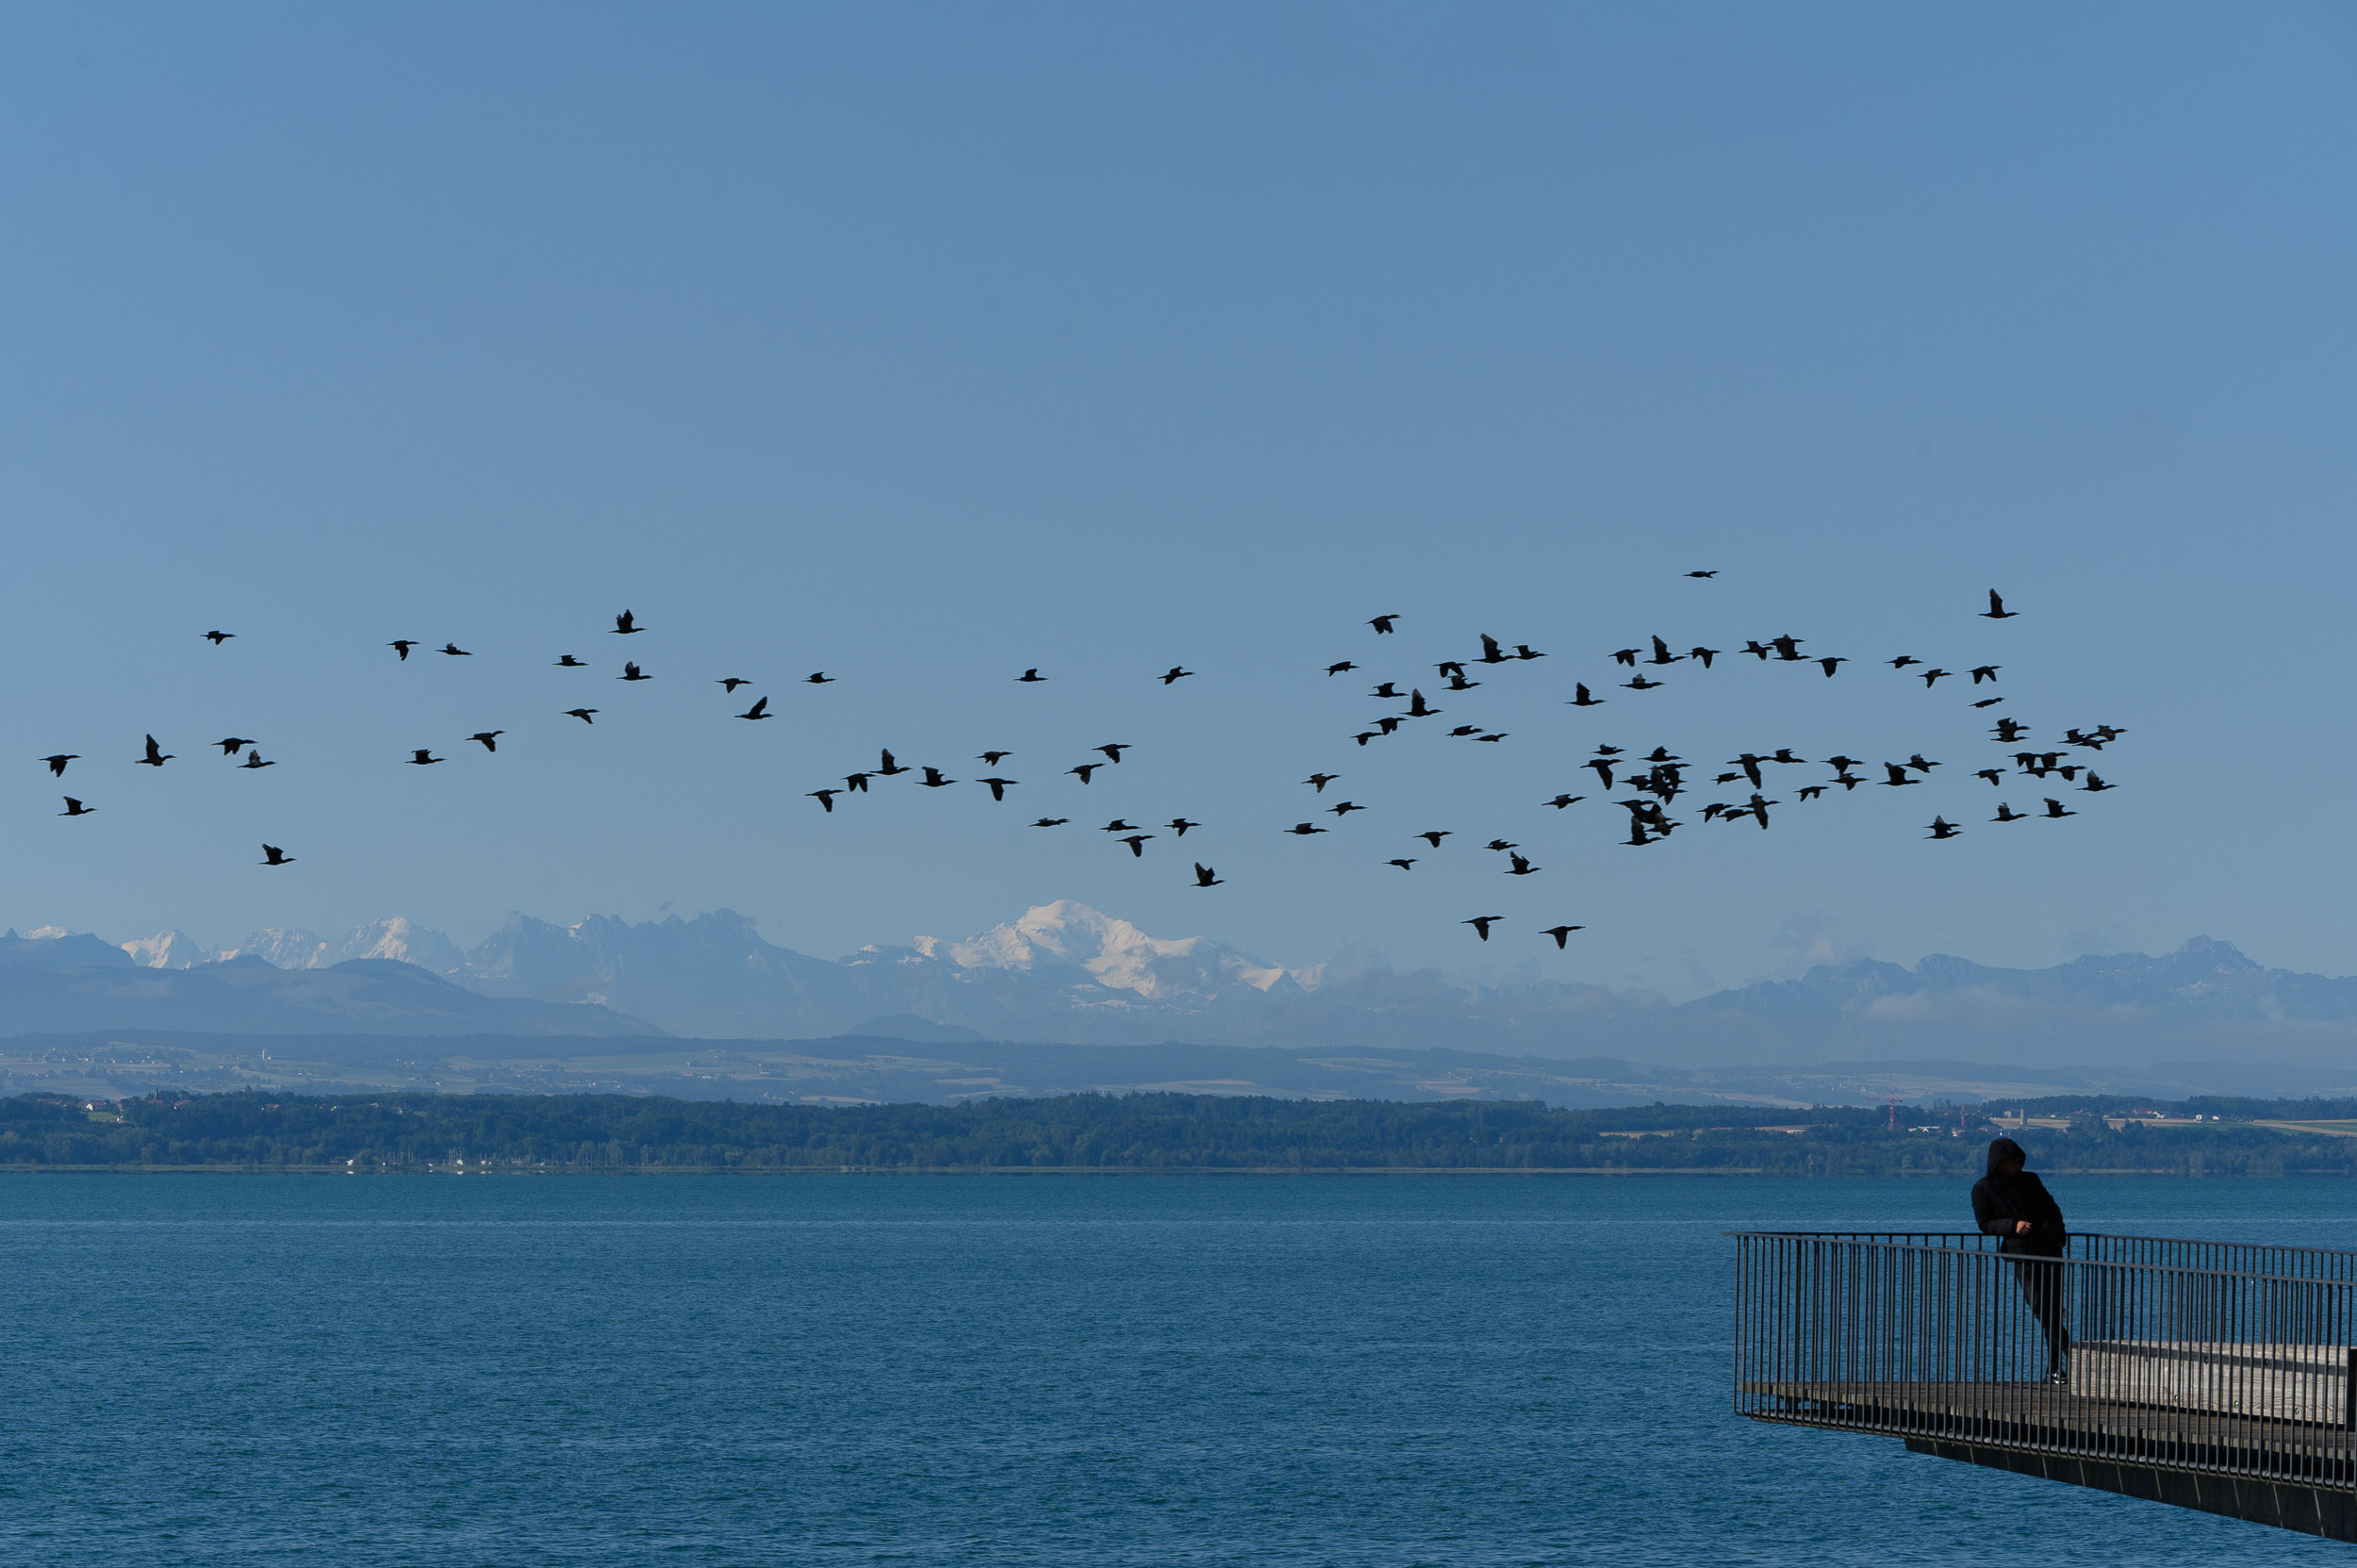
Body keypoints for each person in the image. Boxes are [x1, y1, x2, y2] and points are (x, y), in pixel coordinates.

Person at [1970, 1135, 2069, 1382]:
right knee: (2040, 1307)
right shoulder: (1983, 1188)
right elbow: (1984, 1223)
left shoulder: (2031, 1180)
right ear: (2000, 1162)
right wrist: (2012, 1226)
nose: (2017, 1165)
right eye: (2012, 1161)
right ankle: (2072, 1352)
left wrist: (2059, 1237)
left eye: (2019, 1161)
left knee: (2053, 1311)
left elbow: (2052, 1208)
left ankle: (2055, 1368)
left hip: (2050, 1251)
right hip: (2022, 1255)